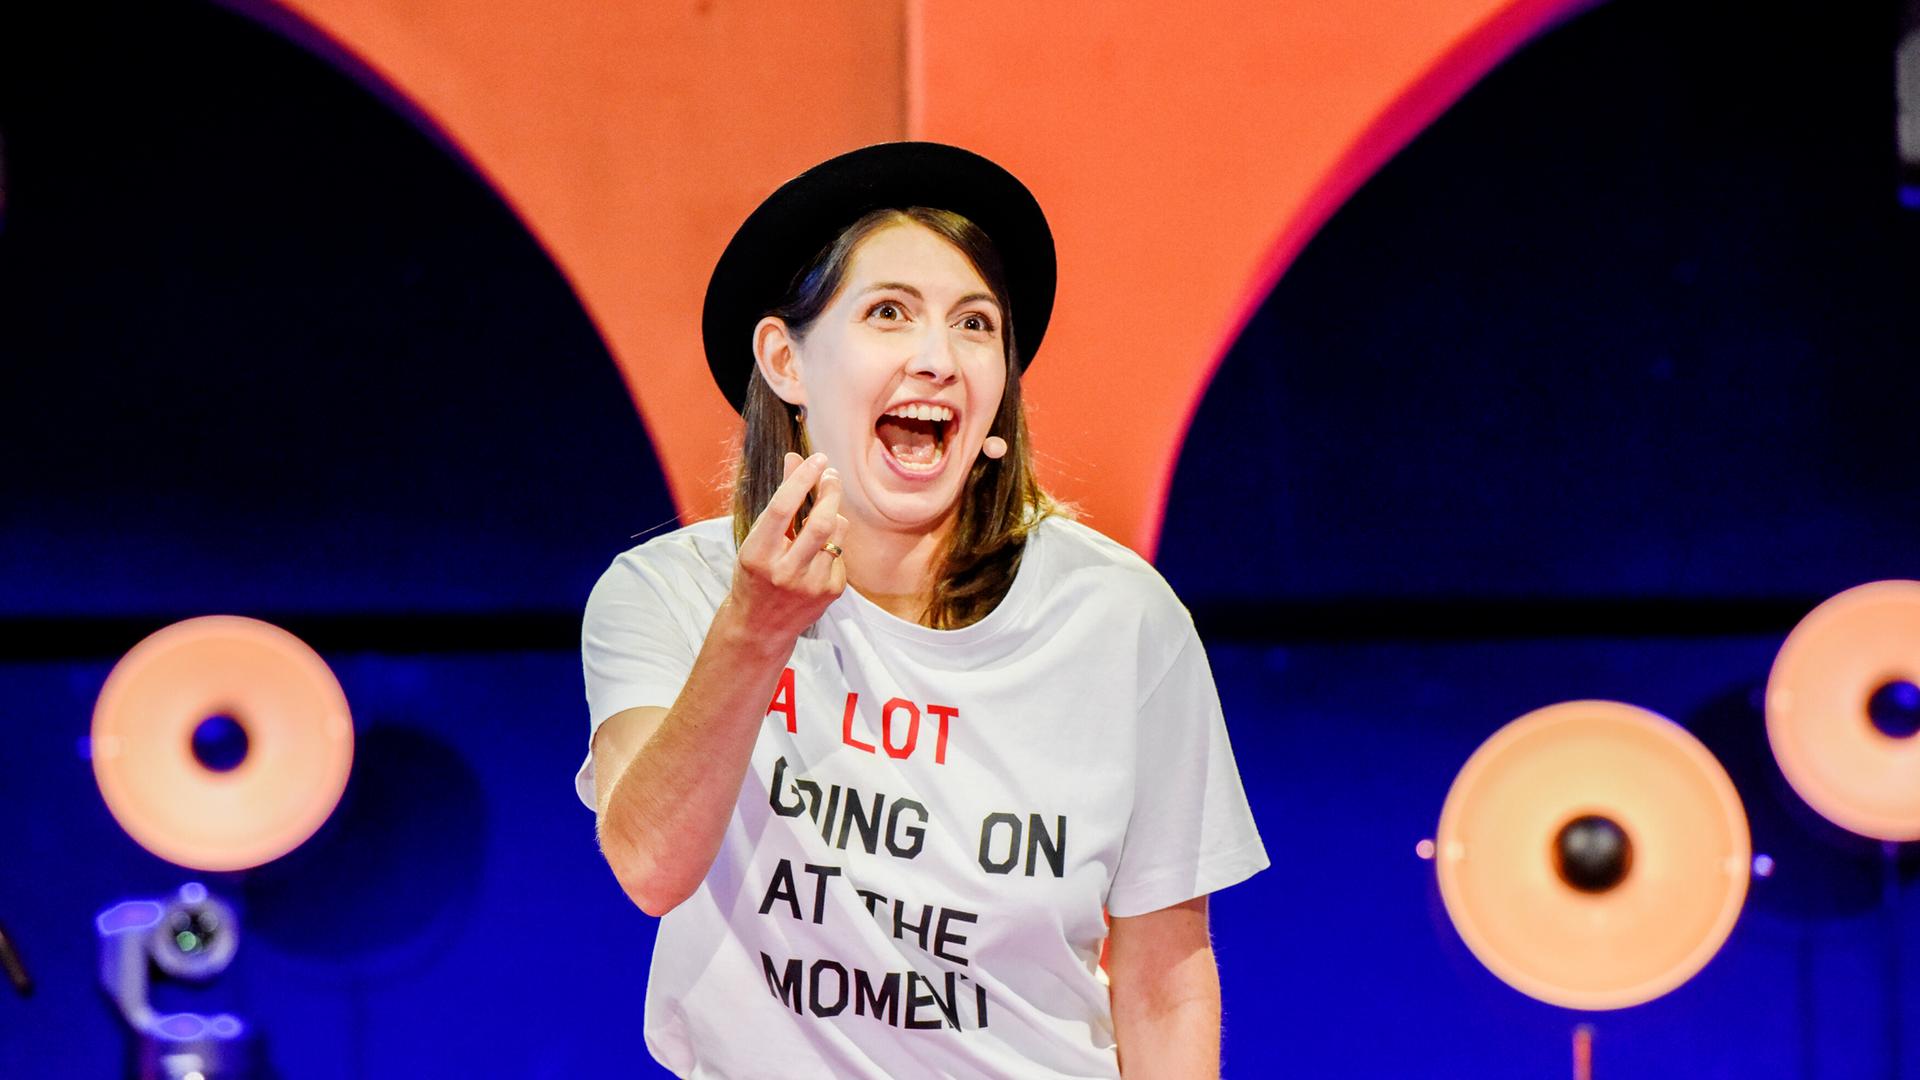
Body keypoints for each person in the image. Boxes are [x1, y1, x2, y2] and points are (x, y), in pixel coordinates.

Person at [575, 142, 1267, 1078]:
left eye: (975, 324)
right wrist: (755, 628)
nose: (938, 359)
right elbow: (650, 867)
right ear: (785, 360)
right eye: (889, 313)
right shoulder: (669, 593)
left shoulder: (1120, 620)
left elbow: (1164, 977)